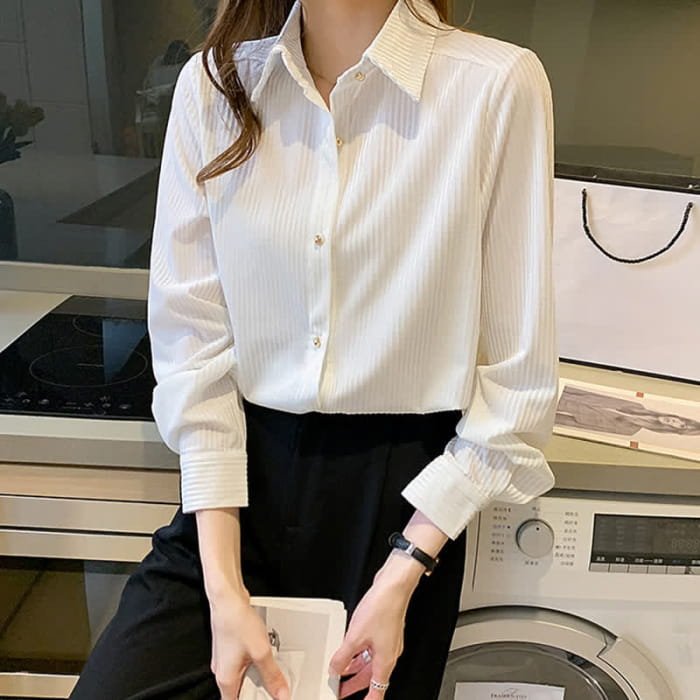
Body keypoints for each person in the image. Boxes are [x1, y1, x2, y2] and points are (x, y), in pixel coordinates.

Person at [69, 0, 559, 698]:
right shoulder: (213, 86)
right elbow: (193, 343)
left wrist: (403, 573)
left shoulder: (496, 84)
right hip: (238, 484)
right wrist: (223, 588)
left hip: (399, 507)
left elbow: (518, 380)